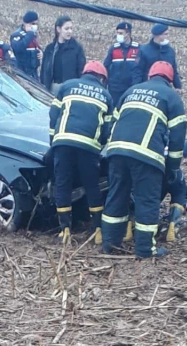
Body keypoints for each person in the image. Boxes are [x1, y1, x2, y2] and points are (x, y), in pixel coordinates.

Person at [102, 61, 186, 259]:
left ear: (150, 76)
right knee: (146, 201)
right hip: (146, 155)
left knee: (116, 196)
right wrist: (172, 168)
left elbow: (113, 122)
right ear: (170, 80)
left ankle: (109, 243)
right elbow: (178, 136)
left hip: (117, 151)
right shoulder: (171, 97)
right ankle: (145, 250)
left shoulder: (131, 91)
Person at [49, 61, 113, 244]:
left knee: (63, 185)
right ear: (102, 78)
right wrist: (98, 147)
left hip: (63, 142)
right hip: (88, 146)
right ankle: (97, 230)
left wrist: (53, 141)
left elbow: (53, 115)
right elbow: (107, 128)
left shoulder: (67, 86)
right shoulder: (106, 95)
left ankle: (65, 231)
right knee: (92, 186)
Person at [41, 16, 86, 94]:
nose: (70, 31)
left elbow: (81, 71)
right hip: (51, 89)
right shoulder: (50, 49)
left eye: (71, 28)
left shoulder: (76, 48)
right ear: (58, 29)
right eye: (66, 29)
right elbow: (44, 70)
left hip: (70, 89)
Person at [133, 24, 182, 91]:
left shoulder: (170, 51)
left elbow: (174, 70)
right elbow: (138, 71)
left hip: (165, 88)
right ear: (158, 35)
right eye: (165, 34)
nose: (167, 37)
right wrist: (136, 88)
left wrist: (178, 86)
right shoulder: (144, 51)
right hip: (147, 88)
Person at [103, 22, 140, 107]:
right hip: (115, 88)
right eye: (117, 33)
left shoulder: (137, 49)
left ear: (128, 34)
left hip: (130, 88)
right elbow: (106, 67)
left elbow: (140, 69)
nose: (118, 35)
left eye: (120, 33)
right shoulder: (114, 48)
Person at [11, 11, 42, 79]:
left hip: (33, 72)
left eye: (36, 24)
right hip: (22, 72)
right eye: (32, 23)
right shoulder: (17, 35)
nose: (34, 26)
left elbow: (36, 47)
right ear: (25, 23)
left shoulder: (34, 35)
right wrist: (30, 33)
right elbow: (18, 48)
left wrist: (40, 52)